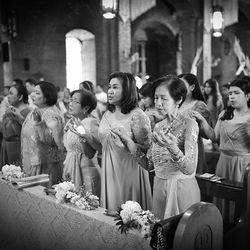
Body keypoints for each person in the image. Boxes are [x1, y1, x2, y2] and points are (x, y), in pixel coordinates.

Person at [123, 75, 200, 219]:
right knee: (160, 235)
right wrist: (129, 142)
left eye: (163, 99)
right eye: (156, 97)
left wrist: (173, 148)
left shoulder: (189, 124)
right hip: (159, 188)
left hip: (180, 189)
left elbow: (189, 168)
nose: (158, 103)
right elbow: (149, 165)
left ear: (178, 100)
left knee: (181, 236)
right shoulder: (158, 126)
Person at [192, 78, 250, 223]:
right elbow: (213, 136)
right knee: (222, 199)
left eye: (237, 93)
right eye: (230, 93)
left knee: (240, 202)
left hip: (243, 164)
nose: (232, 96)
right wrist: (201, 120)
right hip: (224, 161)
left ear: (248, 96)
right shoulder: (225, 113)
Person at [98, 72, 152, 211]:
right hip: (109, 169)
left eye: (115, 87)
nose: (110, 91)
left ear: (127, 90)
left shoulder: (137, 115)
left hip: (129, 171)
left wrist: (126, 141)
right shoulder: (107, 114)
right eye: (109, 87)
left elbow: (147, 148)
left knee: (128, 214)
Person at [21, 81, 65, 186]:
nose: (32, 95)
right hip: (34, 160)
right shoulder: (38, 110)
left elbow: (56, 142)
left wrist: (39, 124)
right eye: (34, 92)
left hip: (45, 165)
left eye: (37, 93)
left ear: (47, 97)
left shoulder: (50, 113)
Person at [63, 89, 101, 197]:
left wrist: (82, 136)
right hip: (70, 168)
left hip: (85, 172)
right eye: (71, 100)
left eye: (76, 101)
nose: (70, 104)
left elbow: (90, 153)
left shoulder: (91, 123)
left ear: (86, 108)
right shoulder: (71, 121)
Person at [178, 73, 211, 174]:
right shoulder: (177, 103)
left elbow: (205, 134)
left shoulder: (199, 105)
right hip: (176, 146)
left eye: (182, 84)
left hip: (192, 146)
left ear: (192, 87)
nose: (179, 88)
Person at [0, 84, 31, 168]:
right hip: (5, 147)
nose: (8, 96)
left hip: (17, 149)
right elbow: (3, 130)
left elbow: (30, 132)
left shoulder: (28, 112)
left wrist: (18, 118)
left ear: (20, 97)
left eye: (11, 93)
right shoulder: (9, 110)